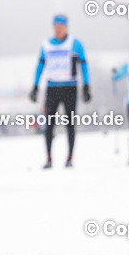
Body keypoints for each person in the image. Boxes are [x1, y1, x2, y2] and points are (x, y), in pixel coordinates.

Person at [29, 14, 90, 168]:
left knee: (70, 123)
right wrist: (35, 86)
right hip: (52, 88)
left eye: (61, 28)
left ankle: (69, 157)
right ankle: (49, 158)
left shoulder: (75, 44)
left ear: (66, 27)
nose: (58, 30)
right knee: (49, 124)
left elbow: (83, 65)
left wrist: (86, 85)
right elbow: (40, 66)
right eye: (56, 28)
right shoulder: (46, 45)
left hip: (70, 87)